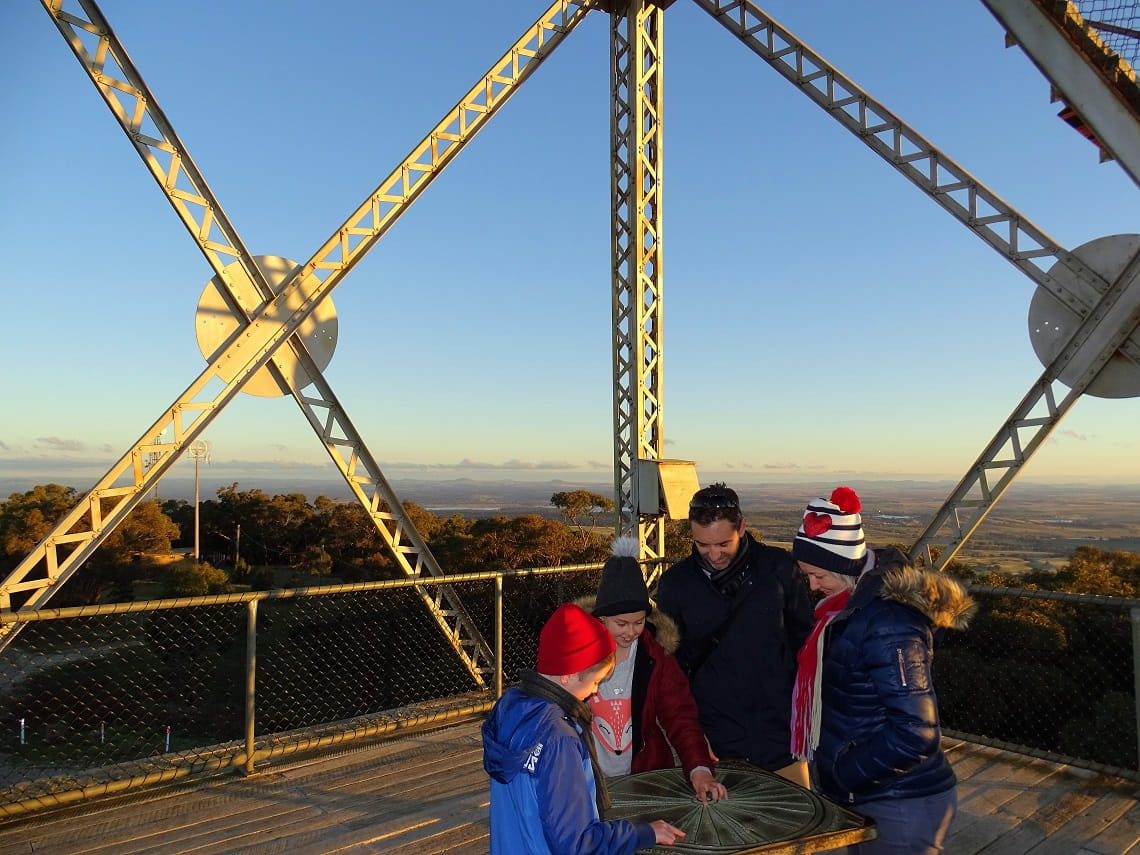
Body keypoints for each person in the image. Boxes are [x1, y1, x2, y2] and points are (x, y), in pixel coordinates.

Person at [791, 487, 975, 854]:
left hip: (899, 801)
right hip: (873, 793)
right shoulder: (847, 609)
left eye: (817, 575)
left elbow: (916, 733)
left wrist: (843, 775)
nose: (812, 586)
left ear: (845, 566)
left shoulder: (887, 621)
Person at [482, 601, 686, 855]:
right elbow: (576, 844)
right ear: (568, 674)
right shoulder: (558, 739)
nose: (595, 690)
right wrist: (643, 832)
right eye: (596, 681)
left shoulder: (512, 711)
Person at [654, 482, 815, 787]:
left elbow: (803, 641)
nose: (713, 554)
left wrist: (801, 720)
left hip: (781, 736)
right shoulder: (676, 584)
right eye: (702, 545)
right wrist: (696, 740)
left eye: (723, 544)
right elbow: (673, 669)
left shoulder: (778, 569)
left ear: (742, 526)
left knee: (795, 826)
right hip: (717, 742)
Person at [577, 536, 728, 802]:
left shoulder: (657, 658)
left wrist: (699, 769)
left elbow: (680, 716)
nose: (631, 632)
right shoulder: (575, 655)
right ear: (601, 618)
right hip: (584, 779)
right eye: (621, 624)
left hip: (645, 779)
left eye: (639, 622)